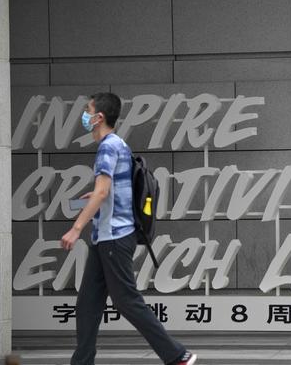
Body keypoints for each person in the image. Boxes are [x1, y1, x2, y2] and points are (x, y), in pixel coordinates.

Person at [60, 92, 197, 365]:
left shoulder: (108, 147)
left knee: (127, 301)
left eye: (88, 111)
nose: (84, 116)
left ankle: (177, 355)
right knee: (88, 304)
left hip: (114, 238)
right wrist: (98, 197)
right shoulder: (117, 144)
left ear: (99, 117)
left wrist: (76, 228)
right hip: (105, 238)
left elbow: (102, 192)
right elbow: (108, 192)